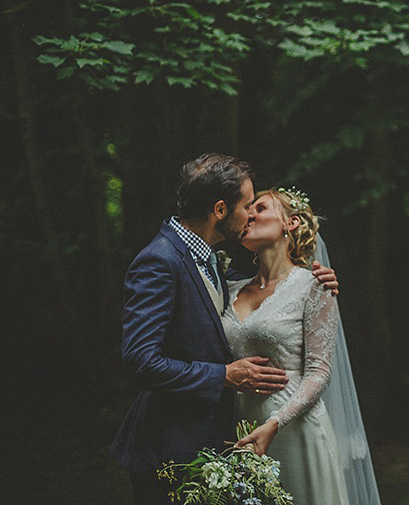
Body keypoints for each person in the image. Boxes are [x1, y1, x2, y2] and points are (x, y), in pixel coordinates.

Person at [110, 154, 339, 505]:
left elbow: (272, 290)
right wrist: (224, 376)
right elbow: (141, 362)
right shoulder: (159, 260)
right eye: (248, 205)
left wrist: (314, 278)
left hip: (225, 442)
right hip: (168, 444)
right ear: (220, 210)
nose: (250, 214)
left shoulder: (218, 265)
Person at [224, 187, 380, 505]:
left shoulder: (314, 285)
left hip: (294, 429)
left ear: (290, 223)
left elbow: (319, 372)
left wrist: (275, 423)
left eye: (260, 208)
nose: (248, 214)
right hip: (240, 430)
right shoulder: (228, 289)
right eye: (247, 209)